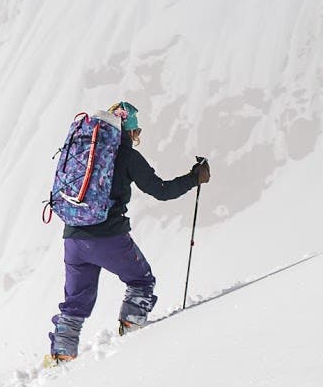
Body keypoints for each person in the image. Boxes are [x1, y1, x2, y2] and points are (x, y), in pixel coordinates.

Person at [45, 100, 209, 365]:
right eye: (137, 130)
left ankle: (62, 352)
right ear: (130, 131)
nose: (138, 136)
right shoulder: (127, 156)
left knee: (75, 302)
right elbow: (162, 191)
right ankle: (132, 333)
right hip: (108, 237)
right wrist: (194, 178)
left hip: (73, 238)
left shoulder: (86, 150)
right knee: (141, 282)